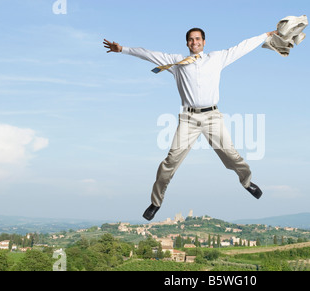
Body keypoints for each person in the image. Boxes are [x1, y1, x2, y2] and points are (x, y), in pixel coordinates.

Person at [104, 28, 278, 221]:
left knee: (232, 156)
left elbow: (241, 47)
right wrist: (122, 49)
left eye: (197, 39)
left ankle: (247, 183)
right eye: (190, 40)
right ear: (187, 43)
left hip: (212, 116)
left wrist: (266, 36)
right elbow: (148, 54)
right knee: (170, 161)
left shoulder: (217, 58)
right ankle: (156, 202)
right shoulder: (177, 63)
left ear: (204, 41)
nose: (194, 42)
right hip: (189, 119)